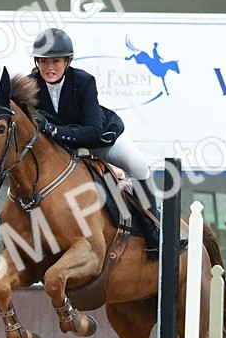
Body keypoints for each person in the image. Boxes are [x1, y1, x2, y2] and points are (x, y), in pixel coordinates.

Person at [27, 28, 160, 254]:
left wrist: (53, 130)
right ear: (37, 62)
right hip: (61, 150)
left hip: (100, 140)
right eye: (44, 61)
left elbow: (93, 131)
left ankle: (153, 229)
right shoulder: (30, 85)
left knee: (138, 165)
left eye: (56, 61)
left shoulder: (84, 81)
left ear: (67, 61)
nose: (49, 68)